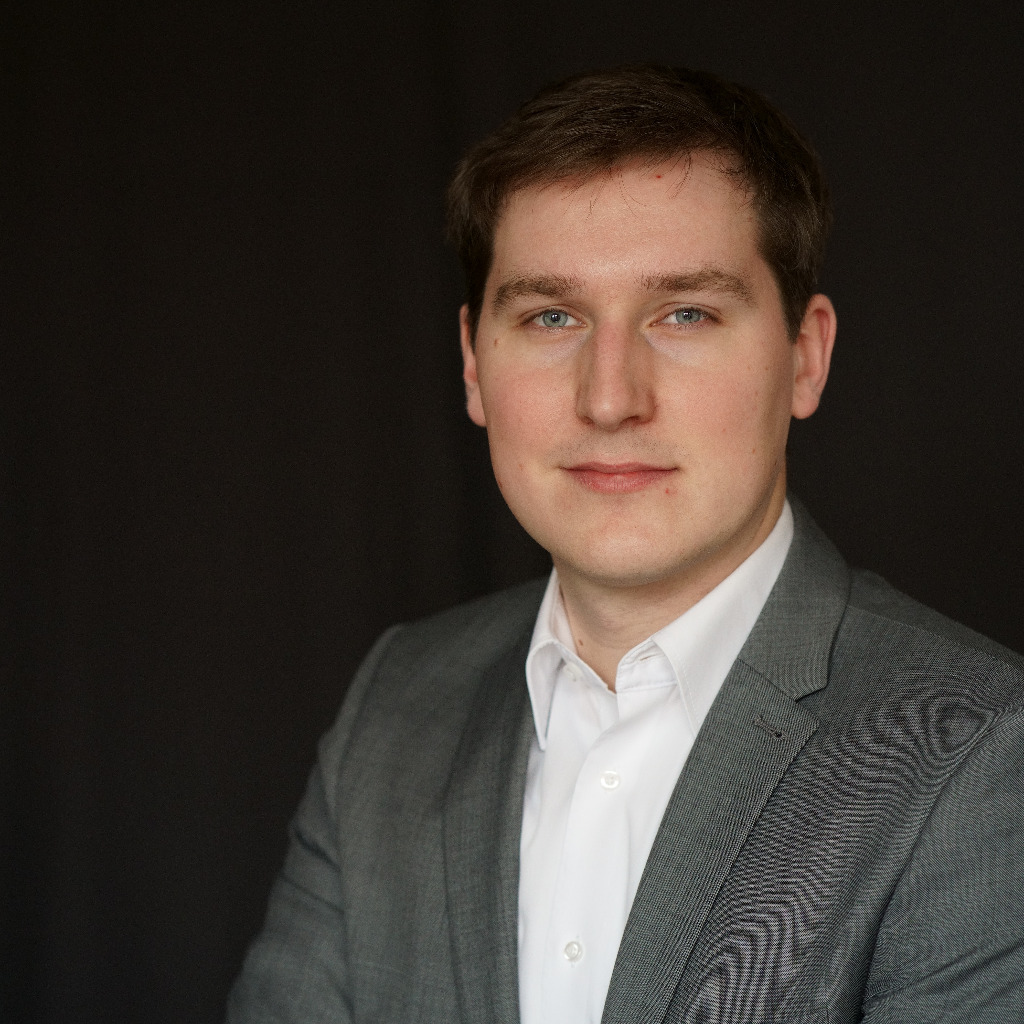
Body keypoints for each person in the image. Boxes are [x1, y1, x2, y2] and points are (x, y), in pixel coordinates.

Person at [227, 65, 1024, 1023]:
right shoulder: (397, 707)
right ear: (474, 364)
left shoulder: (980, 750)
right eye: (551, 317)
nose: (609, 398)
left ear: (805, 357)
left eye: (685, 313)